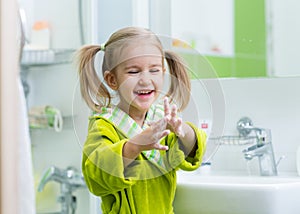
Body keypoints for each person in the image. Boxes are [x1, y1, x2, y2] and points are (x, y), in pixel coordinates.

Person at [76, 26, 206, 214]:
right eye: (133, 72)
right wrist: (134, 146)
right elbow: (95, 174)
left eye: (154, 70)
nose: (145, 80)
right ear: (112, 80)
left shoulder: (161, 119)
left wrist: (183, 131)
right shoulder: (105, 125)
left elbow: (189, 152)